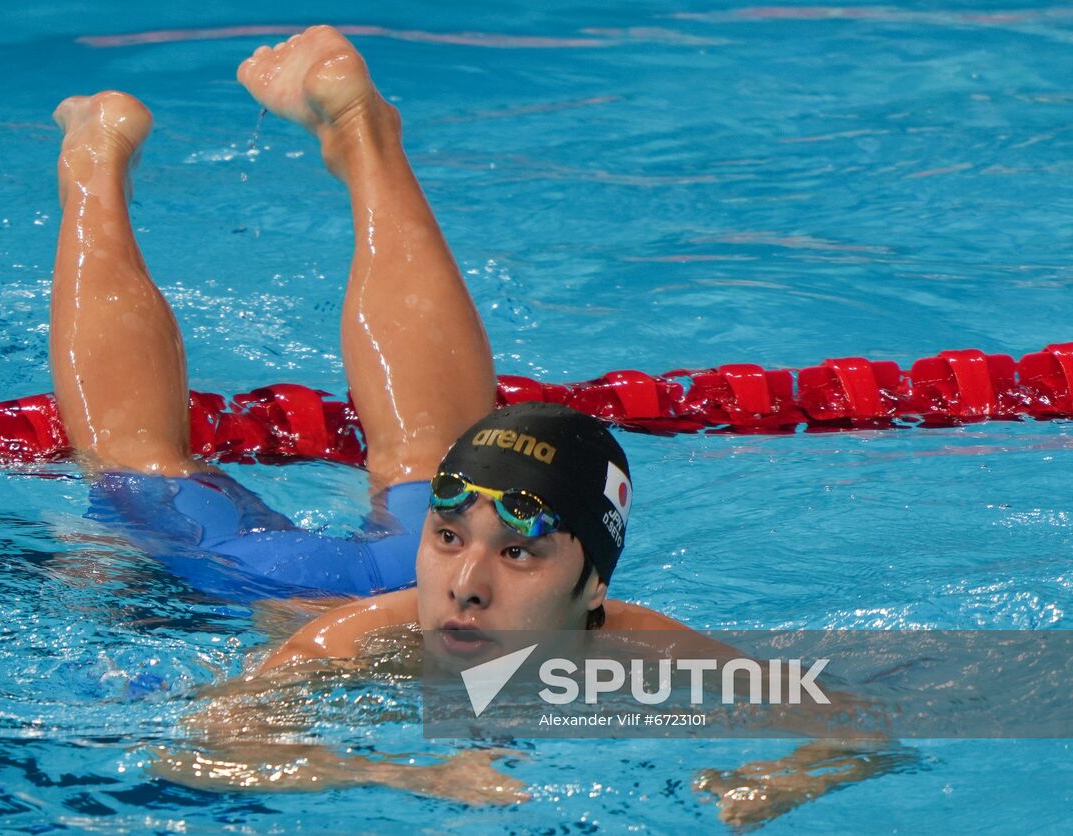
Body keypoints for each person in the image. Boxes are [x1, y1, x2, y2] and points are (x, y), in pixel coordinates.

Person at [49, 24, 897, 827]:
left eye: (519, 550)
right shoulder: (355, 638)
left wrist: (789, 778)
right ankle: (98, 154)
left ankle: (361, 130)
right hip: (274, 581)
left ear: (593, 588)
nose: (467, 584)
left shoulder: (636, 642)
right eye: (451, 538)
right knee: (136, 463)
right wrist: (403, 774)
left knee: (425, 449)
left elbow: (859, 722)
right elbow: (205, 751)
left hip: (430, 568)